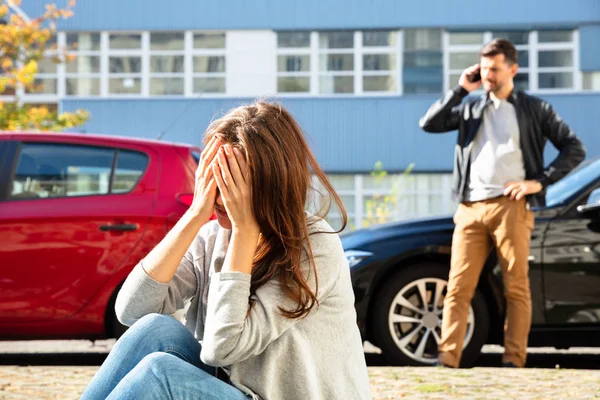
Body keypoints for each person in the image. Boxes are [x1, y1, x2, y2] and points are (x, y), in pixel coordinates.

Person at [81, 101, 372, 400]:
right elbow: (132, 311)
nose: (219, 196)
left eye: (233, 182)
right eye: (215, 178)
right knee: (154, 328)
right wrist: (195, 214)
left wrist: (246, 230)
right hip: (237, 391)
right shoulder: (213, 237)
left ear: (272, 182)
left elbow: (223, 347)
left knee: (161, 373)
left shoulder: (316, 245)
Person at [419, 38, 585, 368]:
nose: (488, 75)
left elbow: (573, 148)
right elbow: (430, 124)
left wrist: (539, 182)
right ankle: (447, 360)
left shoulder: (535, 109)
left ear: (513, 69)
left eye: (494, 69)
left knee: (516, 288)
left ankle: (513, 360)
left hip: (511, 207)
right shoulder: (470, 107)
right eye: (483, 68)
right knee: (457, 287)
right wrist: (461, 89)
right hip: (470, 208)